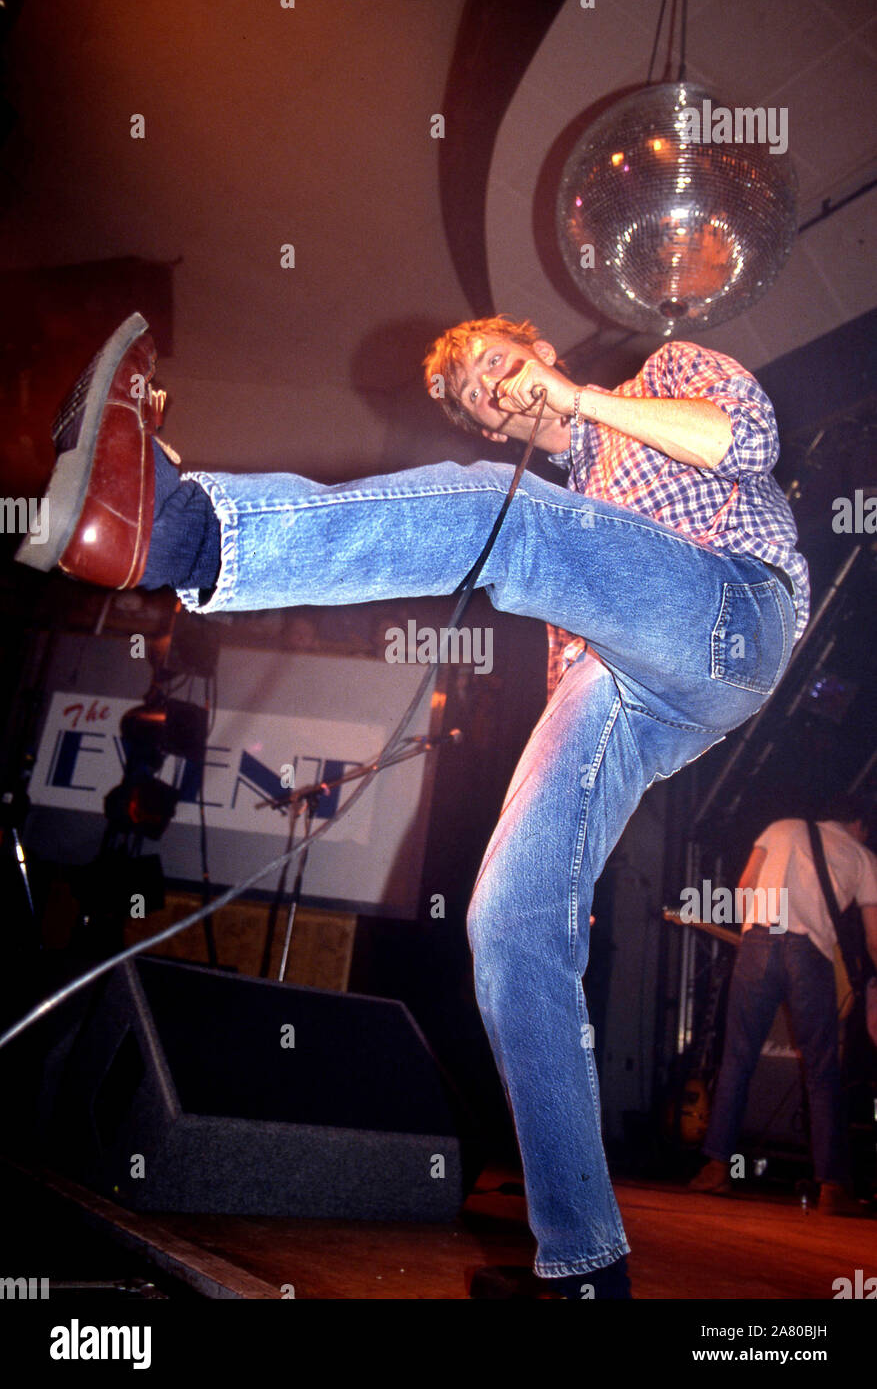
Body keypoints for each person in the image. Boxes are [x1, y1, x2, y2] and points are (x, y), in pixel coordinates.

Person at [17, 310, 809, 1297]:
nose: (490, 389)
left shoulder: (661, 374)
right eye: (475, 396)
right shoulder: (570, 506)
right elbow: (587, 682)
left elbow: (748, 439)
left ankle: (176, 527)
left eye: (495, 363)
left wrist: (573, 401)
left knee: (501, 519)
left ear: (542, 351)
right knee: (512, 924)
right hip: (637, 687)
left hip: (737, 606)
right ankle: (585, 1267)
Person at [690, 799, 877, 1212]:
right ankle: (831, 1187)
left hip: (758, 942)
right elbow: (874, 939)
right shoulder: (864, 860)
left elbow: (744, 888)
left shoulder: (781, 827)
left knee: (737, 1061)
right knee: (821, 1072)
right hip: (809, 957)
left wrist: (755, 935)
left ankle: (717, 1169)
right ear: (861, 826)